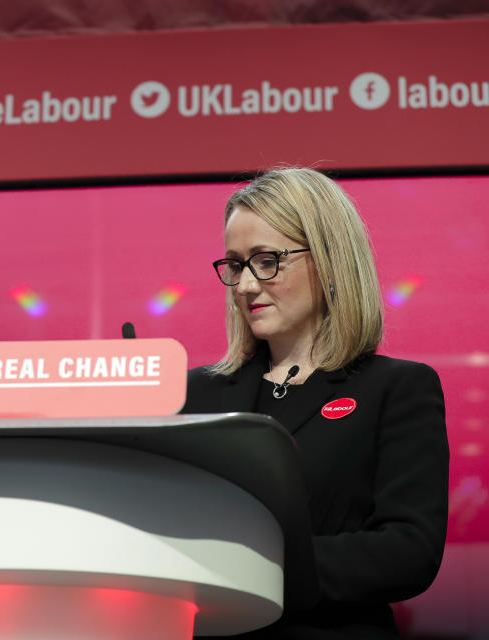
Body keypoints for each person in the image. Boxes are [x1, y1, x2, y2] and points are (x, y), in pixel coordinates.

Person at [183, 168, 448, 638]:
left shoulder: (397, 389)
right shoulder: (195, 394)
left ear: (329, 260)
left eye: (267, 260)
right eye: (236, 265)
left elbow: (408, 552)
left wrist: (257, 566)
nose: (245, 285)